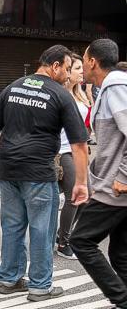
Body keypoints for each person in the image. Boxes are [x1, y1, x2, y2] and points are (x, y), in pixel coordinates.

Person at [0, 44, 89, 302]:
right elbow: (79, 144)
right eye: (66, 69)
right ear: (54, 66)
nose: (67, 75)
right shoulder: (61, 95)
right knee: (42, 228)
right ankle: (41, 285)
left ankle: (9, 279)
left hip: (9, 168)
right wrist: (82, 181)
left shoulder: (12, 87)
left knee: (12, 225)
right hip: (39, 172)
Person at [70, 39, 127, 309]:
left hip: (115, 189)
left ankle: (123, 303)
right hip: (115, 186)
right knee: (120, 254)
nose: (82, 64)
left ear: (93, 62)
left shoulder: (116, 85)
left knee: (81, 241)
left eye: (83, 59)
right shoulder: (112, 87)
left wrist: (124, 176)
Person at [57, 53, 91, 260]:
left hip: (78, 150)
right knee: (74, 196)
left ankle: (63, 234)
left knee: (86, 197)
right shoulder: (61, 94)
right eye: (77, 68)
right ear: (68, 72)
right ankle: (64, 242)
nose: (81, 72)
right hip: (62, 150)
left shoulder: (81, 95)